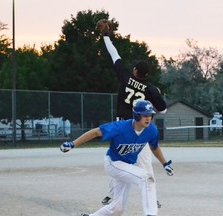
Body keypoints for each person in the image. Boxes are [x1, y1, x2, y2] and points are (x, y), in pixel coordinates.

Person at [60, 100, 173, 216]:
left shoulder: (151, 130)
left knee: (117, 209)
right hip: (113, 163)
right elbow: (95, 133)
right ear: (136, 115)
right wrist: (73, 144)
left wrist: (165, 164)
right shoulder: (120, 127)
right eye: (145, 115)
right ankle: (151, 214)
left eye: (150, 115)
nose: (148, 118)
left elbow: (154, 147)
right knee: (146, 177)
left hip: (127, 167)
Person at [101, 31, 167, 207]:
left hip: (121, 126)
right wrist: (150, 105)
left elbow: (114, 54)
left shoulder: (125, 76)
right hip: (139, 127)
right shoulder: (151, 89)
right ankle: (151, 196)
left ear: (136, 71)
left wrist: (106, 36)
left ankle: (112, 195)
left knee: (119, 160)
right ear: (147, 75)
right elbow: (164, 109)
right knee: (144, 163)